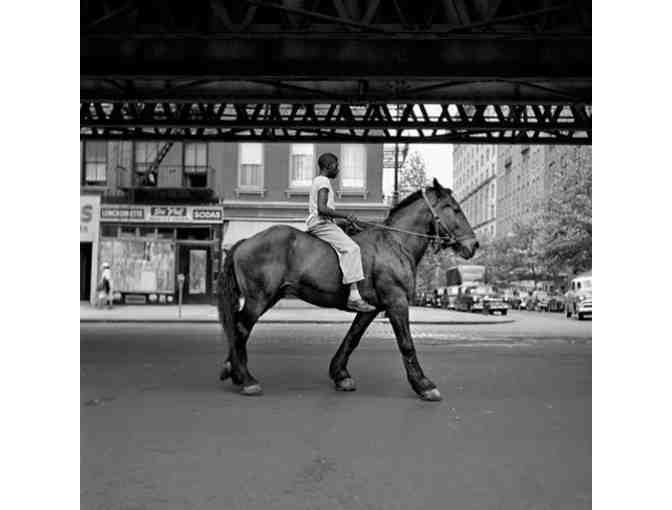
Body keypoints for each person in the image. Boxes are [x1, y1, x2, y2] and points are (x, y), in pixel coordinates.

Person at [306, 153, 376, 312]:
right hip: (321, 224)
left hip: (321, 222)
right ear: (328, 166)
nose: (338, 169)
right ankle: (354, 296)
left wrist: (344, 222)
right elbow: (322, 209)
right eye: (336, 166)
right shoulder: (323, 182)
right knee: (352, 249)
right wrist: (346, 215)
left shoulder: (319, 181)